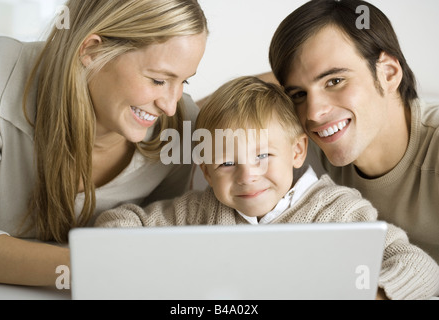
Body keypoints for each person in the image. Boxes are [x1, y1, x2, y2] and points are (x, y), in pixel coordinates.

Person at [96, 76, 439, 300]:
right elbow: (120, 222)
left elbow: (419, 267)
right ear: (207, 171)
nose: (248, 175)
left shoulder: (338, 210)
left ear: (297, 151)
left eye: (263, 156)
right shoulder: (198, 210)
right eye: (227, 163)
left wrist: (372, 293)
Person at [0, 0, 207, 286]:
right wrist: (92, 267)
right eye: (157, 80)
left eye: (184, 83)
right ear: (92, 50)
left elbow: (158, 244)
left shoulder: (180, 127)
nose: (170, 105)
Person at [264, 0, 439, 264]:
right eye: (298, 94)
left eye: (334, 81)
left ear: (389, 74)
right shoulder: (316, 143)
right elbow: (244, 96)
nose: (313, 113)